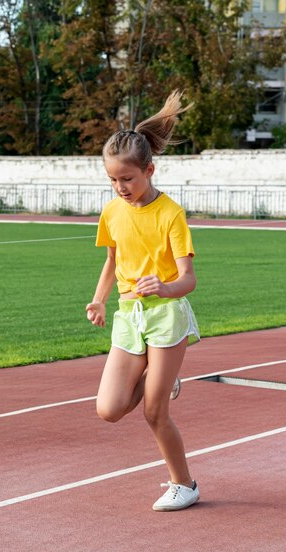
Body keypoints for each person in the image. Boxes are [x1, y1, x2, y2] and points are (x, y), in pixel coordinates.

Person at [86, 90, 202, 512]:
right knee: (109, 409)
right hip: (129, 315)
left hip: (168, 315)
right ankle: (160, 374)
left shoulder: (171, 214)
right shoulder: (113, 211)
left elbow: (188, 279)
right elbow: (113, 260)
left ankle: (184, 484)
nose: (120, 188)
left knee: (154, 412)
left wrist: (164, 288)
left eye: (128, 179)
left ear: (149, 170)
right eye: (113, 180)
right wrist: (99, 299)